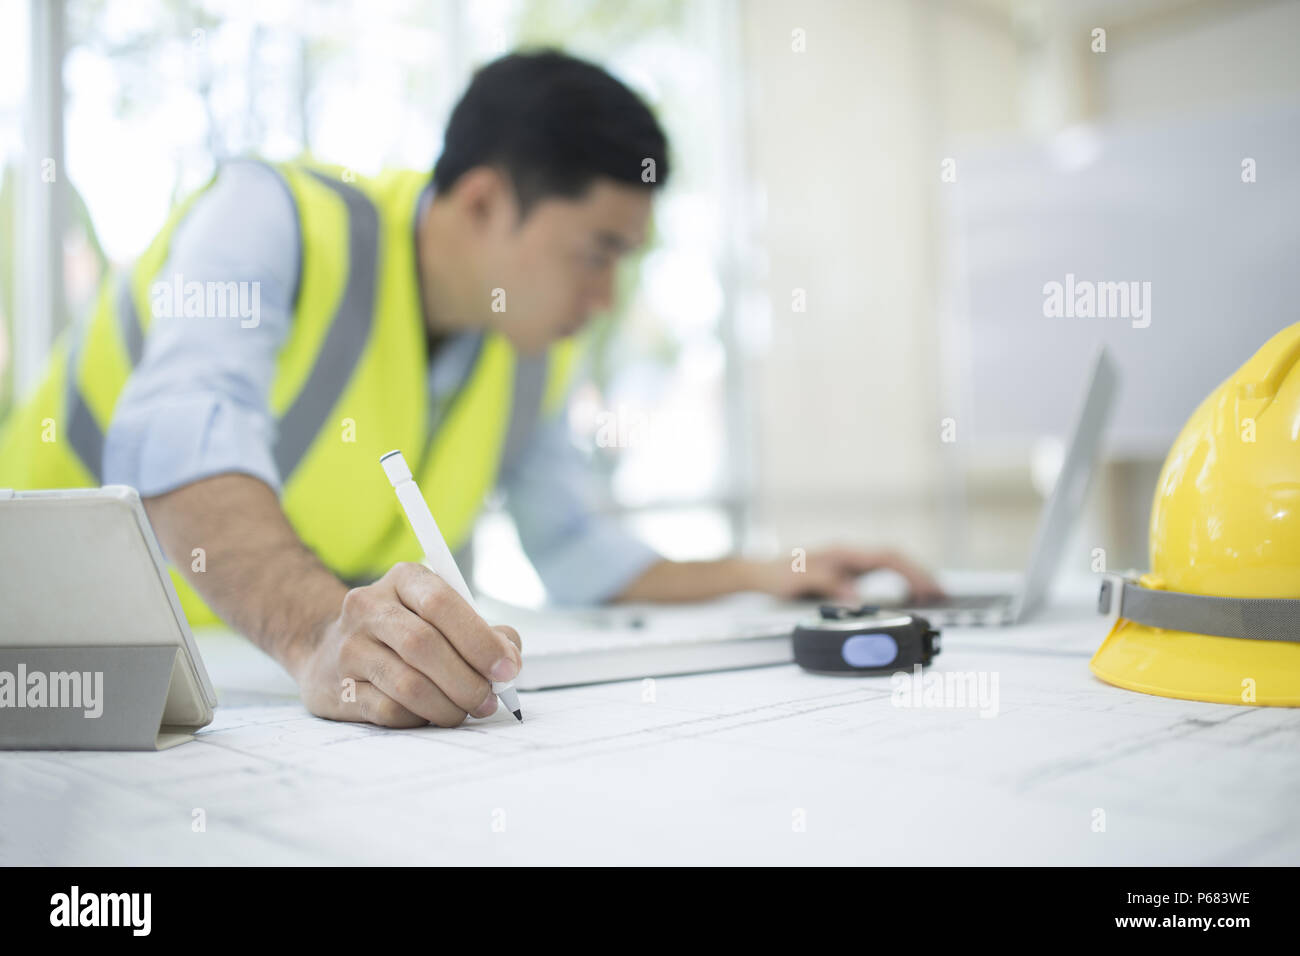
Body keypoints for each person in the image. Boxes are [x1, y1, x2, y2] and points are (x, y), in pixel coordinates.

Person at [0, 50, 941, 729]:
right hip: (43, 641)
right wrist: (324, 633)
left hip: (229, 694)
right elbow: (178, 445)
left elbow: (579, 553)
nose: (609, 295)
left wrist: (775, 574)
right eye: (598, 250)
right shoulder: (275, 215)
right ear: (487, 201)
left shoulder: (524, 351)